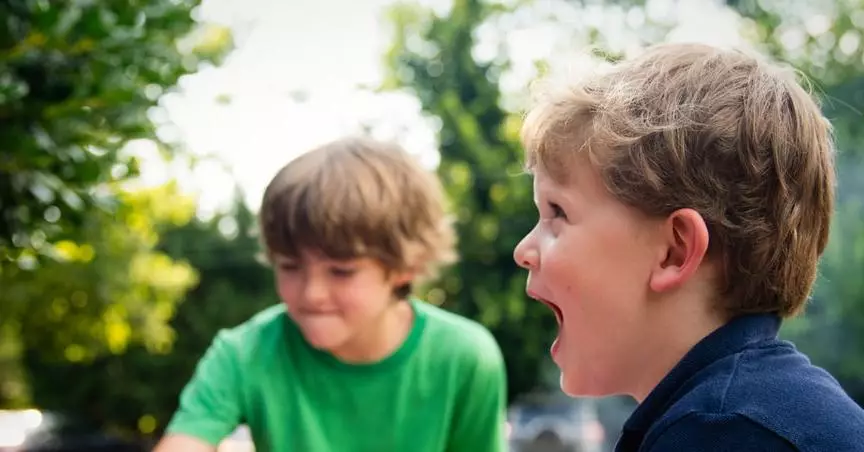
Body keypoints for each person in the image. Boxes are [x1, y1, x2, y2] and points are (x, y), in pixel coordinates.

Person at [513, 42, 864, 451]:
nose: (523, 249)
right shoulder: (750, 410)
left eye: (558, 212)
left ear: (675, 251)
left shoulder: (720, 433)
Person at [154, 136, 508, 452]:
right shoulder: (245, 353)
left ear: (406, 266)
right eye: (290, 266)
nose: (312, 293)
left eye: (341, 271)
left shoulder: (465, 358)